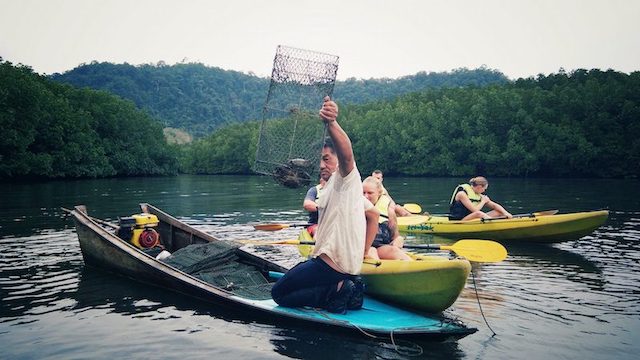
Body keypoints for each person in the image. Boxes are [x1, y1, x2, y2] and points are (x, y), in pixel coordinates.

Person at [271, 96, 380, 314]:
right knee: (295, 285)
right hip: (345, 266)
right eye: (320, 159)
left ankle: (336, 290)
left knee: (279, 294)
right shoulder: (335, 187)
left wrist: (331, 123)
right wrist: (364, 251)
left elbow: (347, 155)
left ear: (337, 160)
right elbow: (375, 214)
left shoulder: (346, 177)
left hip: (330, 266)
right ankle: (350, 286)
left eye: (327, 159)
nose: (322, 164)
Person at [362, 176, 411, 261]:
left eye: (370, 193)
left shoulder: (389, 211)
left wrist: (398, 239)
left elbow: (395, 236)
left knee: (394, 250)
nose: (366, 196)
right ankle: (377, 271)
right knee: (371, 251)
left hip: (381, 247)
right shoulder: (356, 208)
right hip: (363, 248)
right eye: (363, 193)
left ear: (379, 193)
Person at [449, 176, 513, 221]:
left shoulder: (479, 195)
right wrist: (483, 201)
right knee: (479, 213)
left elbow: (494, 205)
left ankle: (505, 221)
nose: (484, 191)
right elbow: (475, 211)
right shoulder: (462, 194)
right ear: (479, 187)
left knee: (498, 212)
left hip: (472, 219)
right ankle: (494, 224)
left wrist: (506, 213)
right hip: (460, 221)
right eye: (484, 189)